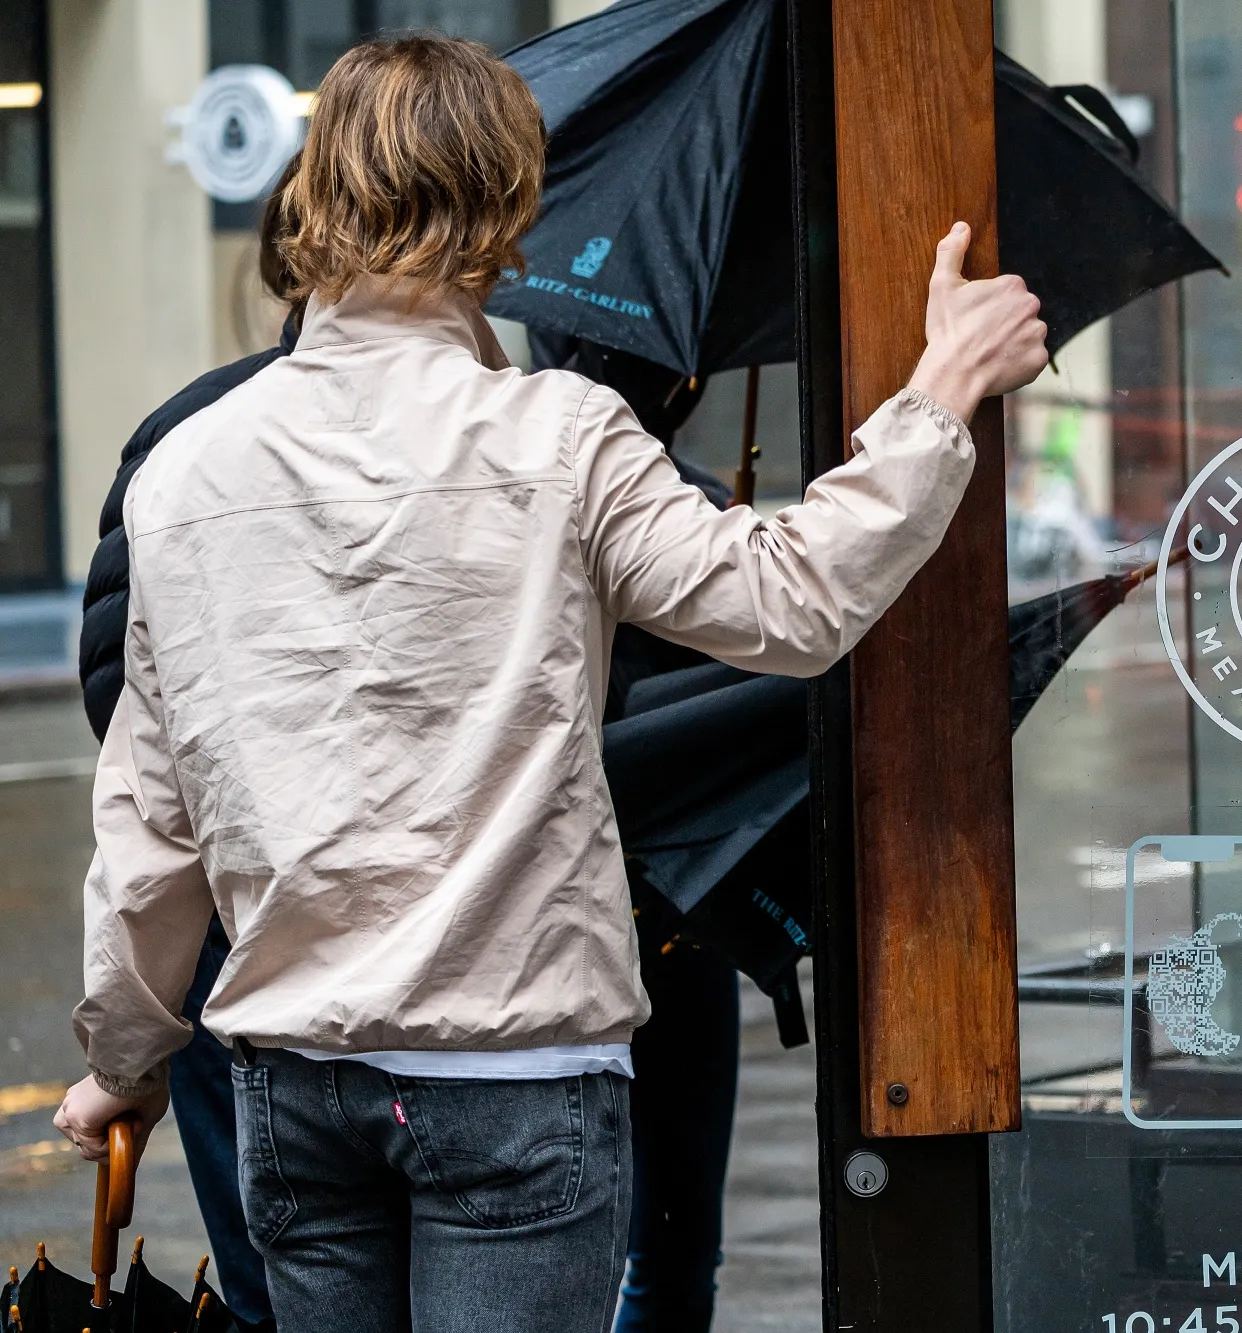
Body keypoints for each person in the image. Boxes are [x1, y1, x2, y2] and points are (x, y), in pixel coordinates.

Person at [52, 32, 1045, 1333]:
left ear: (315, 200)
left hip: (295, 1083)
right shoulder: (561, 438)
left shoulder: (187, 470)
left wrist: (120, 1065)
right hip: (515, 1076)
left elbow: (149, 832)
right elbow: (790, 601)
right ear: (508, 207)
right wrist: (938, 392)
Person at [74, 168, 306, 1333]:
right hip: (478, 995)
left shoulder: (185, 437)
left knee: (276, 1283)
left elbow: (129, 720)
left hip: (240, 946)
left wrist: (127, 1051)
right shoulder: (525, 427)